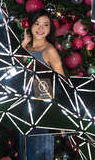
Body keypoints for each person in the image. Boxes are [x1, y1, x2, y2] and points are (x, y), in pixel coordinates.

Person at [19, 9, 65, 160]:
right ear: (30, 26)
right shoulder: (26, 48)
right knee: (26, 150)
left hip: (42, 103)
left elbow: (62, 81)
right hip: (25, 104)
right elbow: (15, 69)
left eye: (45, 24)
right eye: (37, 24)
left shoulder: (49, 50)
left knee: (40, 152)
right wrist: (23, 44)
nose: (41, 28)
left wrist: (60, 113)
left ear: (50, 28)